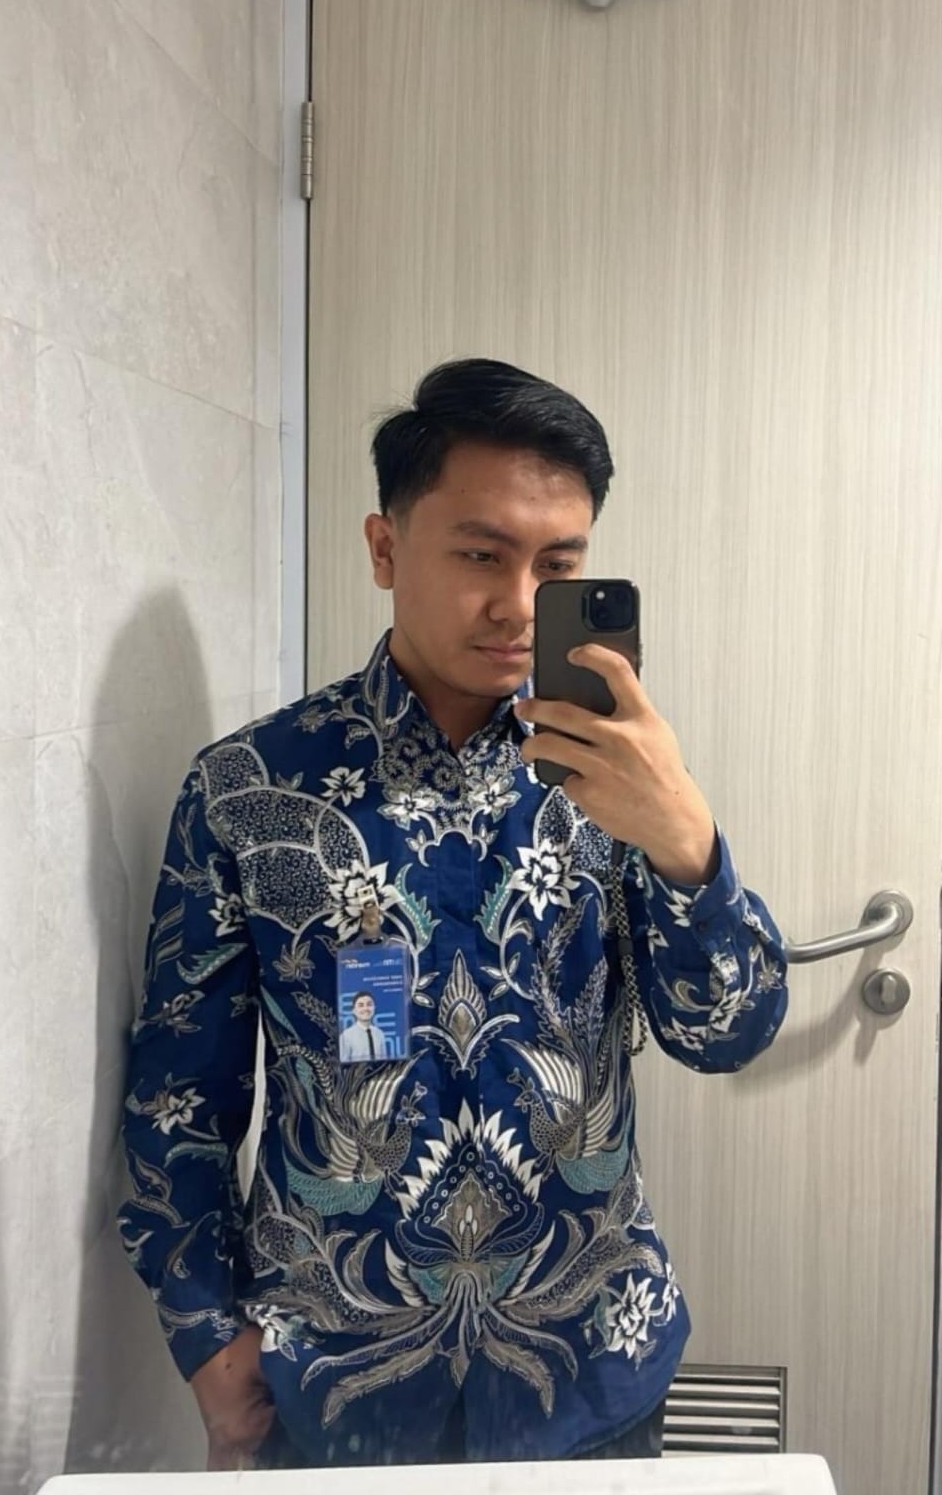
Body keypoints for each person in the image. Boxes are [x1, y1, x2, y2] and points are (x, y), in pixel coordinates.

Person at [117, 357, 788, 1471]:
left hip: (590, 1369)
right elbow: (179, 1096)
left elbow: (729, 1034)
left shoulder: (619, 779)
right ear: (385, 548)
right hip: (334, 1385)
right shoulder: (249, 791)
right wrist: (205, 1335)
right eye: (481, 554)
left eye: (557, 565)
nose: (518, 604)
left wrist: (687, 845)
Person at [338, 991, 387, 1061]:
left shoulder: (380, 1034)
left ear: (374, 1008)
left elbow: (384, 1062)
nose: (366, 1008)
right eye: (361, 1005)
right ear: (354, 1011)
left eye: (369, 1004)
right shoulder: (346, 1036)